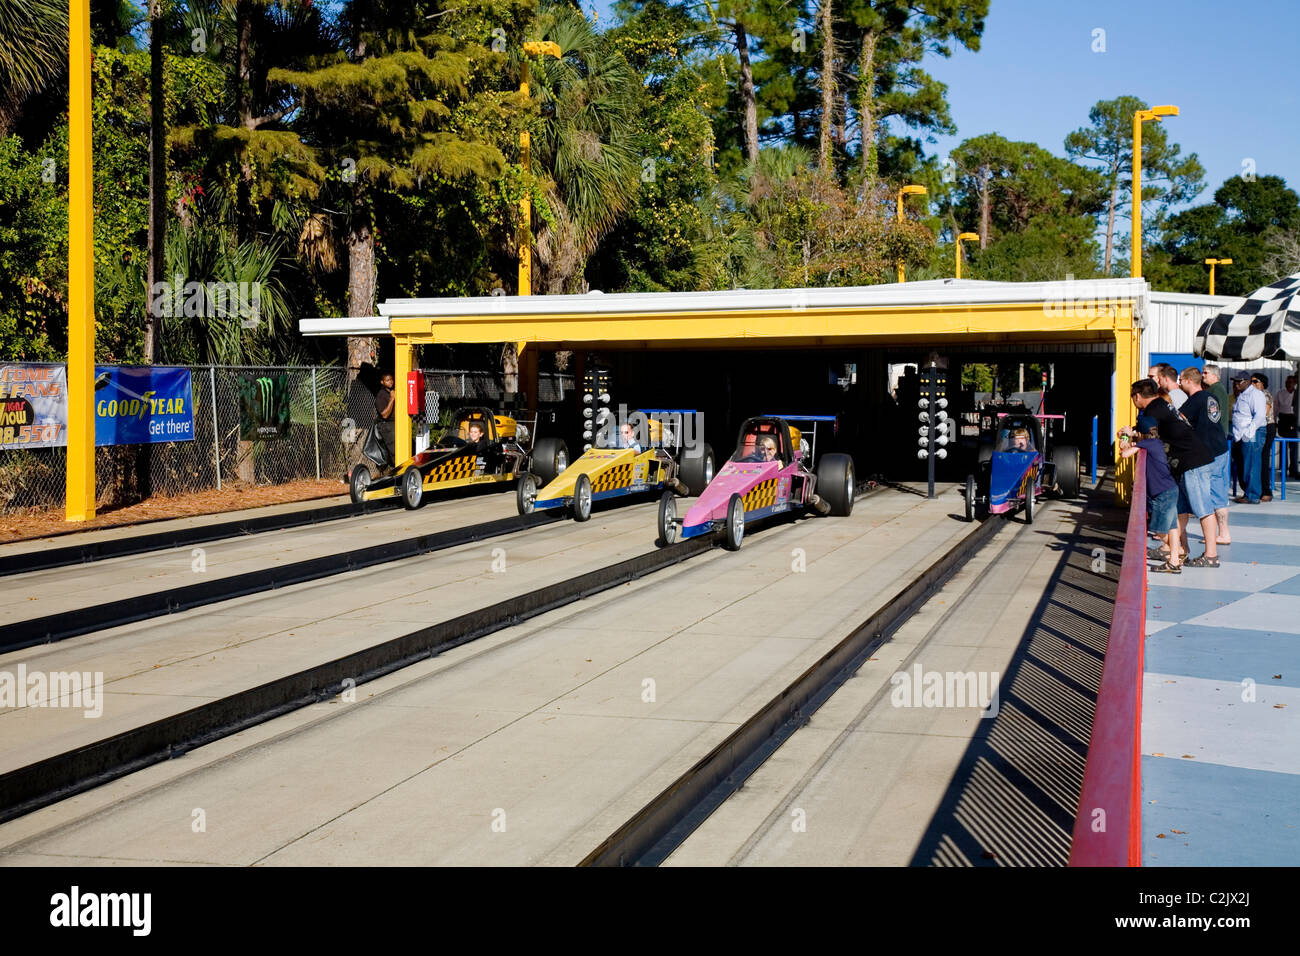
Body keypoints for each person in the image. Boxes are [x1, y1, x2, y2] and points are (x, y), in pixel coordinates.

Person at [1130, 379, 1218, 567]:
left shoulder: (1151, 411)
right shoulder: (1162, 404)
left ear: (1137, 396)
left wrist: (1132, 438)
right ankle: (1180, 549)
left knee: (1203, 508)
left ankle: (1211, 555)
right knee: (1182, 508)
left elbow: (1150, 436)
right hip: (1192, 458)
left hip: (1193, 460)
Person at [1179, 367, 1231, 553]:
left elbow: (1178, 422)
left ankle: (1207, 549)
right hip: (1221, 449)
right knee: (1219, 494)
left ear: (1187, 381)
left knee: (1200, 501)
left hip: (1206, 453)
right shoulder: (1211, 398)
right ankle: (1224, 533)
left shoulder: (1195, 400)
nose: (1179, 383)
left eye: (1180, 379)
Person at [1119, 424, 1181, 573]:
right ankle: (1174, 560)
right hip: (1171, 488)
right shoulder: (1155, 442)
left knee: (1159, 531)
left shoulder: (1146, 444)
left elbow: (1124, 453)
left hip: (1162, 493)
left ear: (1141, 433)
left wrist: (1126, 436)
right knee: (1172, 527)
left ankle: (1177, 552)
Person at [1231, 372, 1267, 504]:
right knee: (1246, 464)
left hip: (1253, 433)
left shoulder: (1255, 394)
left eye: (1238, 381)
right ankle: (1249, 492)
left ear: (1246, 381)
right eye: (1234, 381)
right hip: (1243, 434)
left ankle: (1252, 495)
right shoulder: (1242, 395)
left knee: (1252, 464)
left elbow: (1260, 416)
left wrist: (1247, 433)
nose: (1235, 384)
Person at [1254, 373, 1276, 501]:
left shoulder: (1265, 394)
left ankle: (1266, 491)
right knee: (1257, 459)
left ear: (1262, 383)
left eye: (1255, 381)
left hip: (1267, 427)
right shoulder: (1255, 395)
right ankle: (1259, 490)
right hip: (1259, 428)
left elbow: (1264, 412)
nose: (1253, 383)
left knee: (1263, 458)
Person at [1276, 374, 1298, 479]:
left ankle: (1294, 470)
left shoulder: (1297, 394)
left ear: (1295, 383)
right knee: (1283, 446)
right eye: (1287, 382)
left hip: (1293, 420)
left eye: (1291, 382)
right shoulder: (1280, 393)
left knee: (1294, 447)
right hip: (1283, 420)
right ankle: (1283, 469)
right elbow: (1276, 407)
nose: (1288, 384)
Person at [373, 372, 397, 468]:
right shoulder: (381, 395)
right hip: (387, 426)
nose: (390, 382)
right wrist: (392, 399)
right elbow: (385, 415)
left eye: (391, 379)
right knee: (395, 451)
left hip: (396, 424)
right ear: (382, 382)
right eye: (387, 380)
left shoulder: (394, 391)